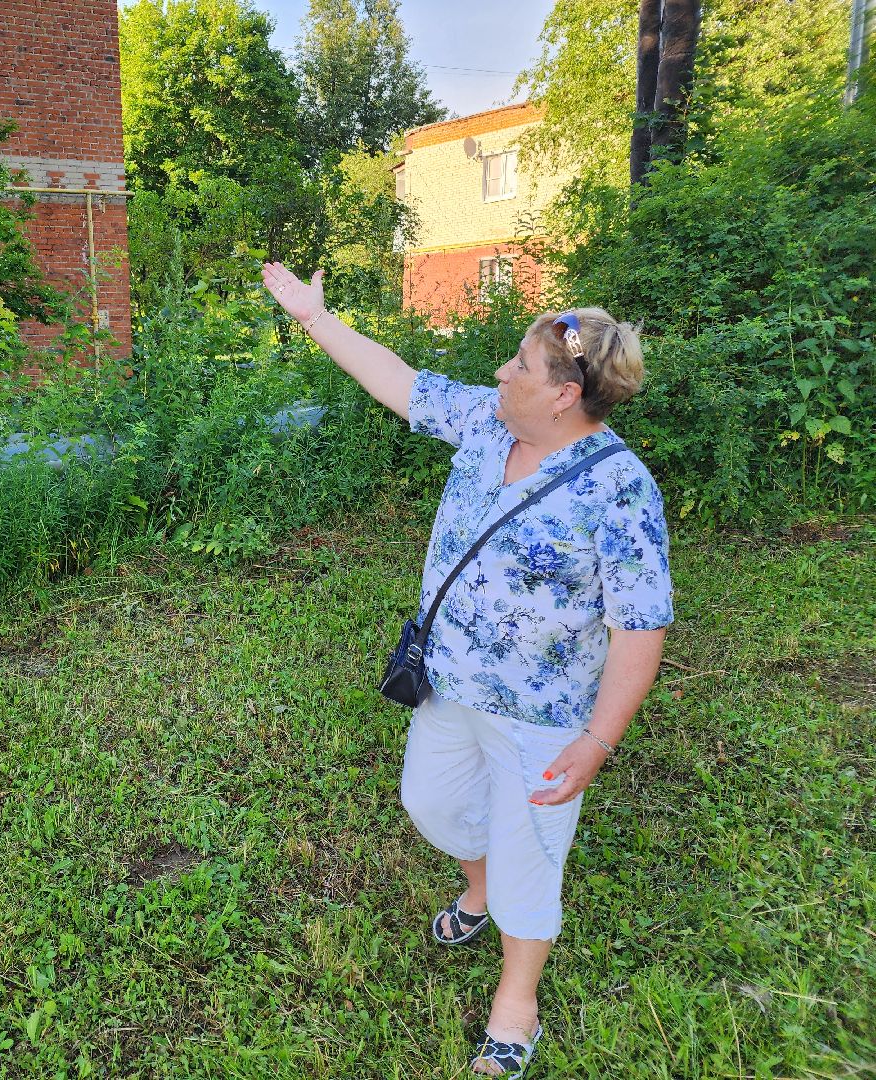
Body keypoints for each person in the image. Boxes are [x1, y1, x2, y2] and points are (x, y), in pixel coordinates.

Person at [261, 263, 673, 1077]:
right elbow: (402, 382)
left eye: (519, 364)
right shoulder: (489, 423)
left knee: (533, 858)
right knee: (433, 804)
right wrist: (316, 319)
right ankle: (475, 887)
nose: (500, 372)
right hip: (446, 681)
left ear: (562, 393)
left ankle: (515, 1007)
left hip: (543, 715)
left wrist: (597, 742)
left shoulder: (619, 490)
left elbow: (640, 628)